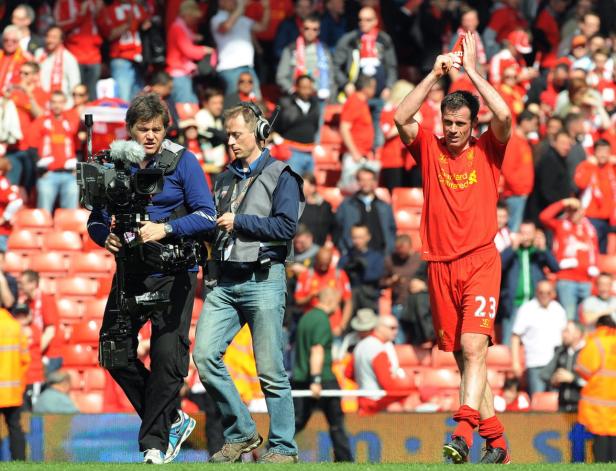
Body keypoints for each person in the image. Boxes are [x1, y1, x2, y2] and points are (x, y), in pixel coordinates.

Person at [393, 32, 512, 463]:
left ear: (473, 126)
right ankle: (496, 440)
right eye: (449, 123)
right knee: (465, 359)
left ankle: (462, 431)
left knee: (475, 348)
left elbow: (504, 113)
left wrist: (473, 72)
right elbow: (399, 116)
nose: (454, 130)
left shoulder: (488, 149)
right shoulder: (429, 148)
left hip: (480, 260)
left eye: (462, 124)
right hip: (439, 265)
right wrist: (435, 73)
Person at [87, 93, 216, 464]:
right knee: (113, 353)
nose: (150, 136)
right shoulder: (115, 162)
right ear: (130, 129)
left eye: (156, 129)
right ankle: (172, 419)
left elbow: (207, 216)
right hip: (130, 271)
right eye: (143, 129)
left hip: (175, 271)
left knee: (166, 358)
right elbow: (97, 217)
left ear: (166, 129)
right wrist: (102, 235)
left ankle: (153, 446)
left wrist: (166, 228)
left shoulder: (184, 162)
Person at [192, 103, 303, 464]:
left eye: (237, 134)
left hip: (264, 278)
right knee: (204, 356)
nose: (230, 141)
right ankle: (242, 432)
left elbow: (287, 228)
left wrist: (240, 221)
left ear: (258, 133)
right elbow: (213, 225)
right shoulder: (223, 178)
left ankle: (284, 448)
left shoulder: (282, 174)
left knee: (270, 370)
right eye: (227, 134)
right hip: (224, 282)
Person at [292, 288, 353, 462]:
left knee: (298, 421)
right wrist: (316, 380)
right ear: (331, 300)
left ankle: (271, 449)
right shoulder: (321, 320)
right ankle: (345, 461)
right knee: (336, 423)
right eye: (339, 304)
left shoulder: (306, 317)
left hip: (301, 378)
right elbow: (317, 350)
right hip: (322, 379)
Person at [500, 221, 559, 346]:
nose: (526, 236)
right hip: (514, 303)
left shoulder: (539, 253)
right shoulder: (512, 251)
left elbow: (555, 267)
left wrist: (543, 249)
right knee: (508, 343)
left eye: (529, 233)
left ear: (535, 234)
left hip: (535, 304)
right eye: (523, 233)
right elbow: (499, 266)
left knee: (536, 342)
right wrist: (512, 248)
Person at [539, 198, 599, 320]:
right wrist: (564, 203)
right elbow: (544, 217)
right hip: (567, 279)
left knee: (585, 319)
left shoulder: (590, 229)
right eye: (571, 210)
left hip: (586, 280)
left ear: (582, 211)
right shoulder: (561, 225)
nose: (574, 213)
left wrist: (595, 268)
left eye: (576, 210)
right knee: (569, 318)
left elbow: (594, 250)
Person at [511, 280, 568, 396]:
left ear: (553, 293)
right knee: (537, 403)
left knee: (555, 403)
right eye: (541, 292)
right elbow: (515, 337)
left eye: (548, 292)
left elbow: (564, 336)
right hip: (535, 364)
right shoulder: (526, 309)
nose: (544, 295)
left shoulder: (559, 309)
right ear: (536, 292)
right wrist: (515, 362)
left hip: (555, 364)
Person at [350, 314, 414, 414]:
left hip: (362, 400)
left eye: (397, 328)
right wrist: (411, 386)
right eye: (392, 328)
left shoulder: (360, 345)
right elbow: (387, 383)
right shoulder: (378, 349)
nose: (396, 332)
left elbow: (348, 373)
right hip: (375, 403)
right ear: (379, 328)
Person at [30, 90, 80, 213]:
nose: (57, 105)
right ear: (50, 104)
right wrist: (40, 170)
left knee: (69, 214)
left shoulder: (71, 122)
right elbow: (31, 148)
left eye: (60, 102)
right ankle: (43, 231)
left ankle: (68, 231)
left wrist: (77, 169)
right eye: (54, 102)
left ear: (64, 103)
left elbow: (78, 148)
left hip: (70, 175)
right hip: (48, 175)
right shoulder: (42, 121)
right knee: (44, 212)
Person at [575, 315, 616, 463]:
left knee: (602, 451)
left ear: (599, 326)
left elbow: (583, 369)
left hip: (600, 407)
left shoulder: (596, 343)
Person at [210, 0, 270, 98]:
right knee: (233, 104)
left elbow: (262, 27)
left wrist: (266, 8)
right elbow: (226, 26)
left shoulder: (243, 19)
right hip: (229, 68)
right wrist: (241, 7)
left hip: (248, 67)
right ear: (221, 2)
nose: (234, 2)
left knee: (256, 102)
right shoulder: (217, 19)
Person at [335, 167, 396, 256]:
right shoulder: (346, 205)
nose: (366, 183)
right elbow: (337, 228)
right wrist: (344, 249)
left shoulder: (385, 207)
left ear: (375, 182)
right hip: (353, 255)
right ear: (358, 182)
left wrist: (389, 249)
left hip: (380, 255)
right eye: (362, 180)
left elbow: (391, 230)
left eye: (369, 180)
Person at [295, 246, 353, 337]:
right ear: (316, 260)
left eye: (326, 264)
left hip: (334, 327)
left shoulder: (339, 275)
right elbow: (298, 301)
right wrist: (310, 297)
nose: (323, 267)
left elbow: (348, 302)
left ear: (331, 261)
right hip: (312, 326)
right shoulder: (306, 275)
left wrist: (342, 325)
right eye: (321, 264)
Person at [54, 0, 104, 101]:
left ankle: (90, 117)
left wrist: (100, 11)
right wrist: (81, 15)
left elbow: (105, 26)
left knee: (91, 94)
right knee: (76, 93)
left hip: (94, 55)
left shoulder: (95, 2)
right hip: (74, 55)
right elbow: (60, 26)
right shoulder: (64, 3)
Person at [165, 0, 213, 104]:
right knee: (186, 107)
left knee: (192, 103)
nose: (195, 20)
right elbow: (189, 51)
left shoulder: (181, 28)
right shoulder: (177, 28)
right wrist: (205, 50)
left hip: (183, 74)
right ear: (187, 14)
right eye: (194, 17)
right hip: (179, 74)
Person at [574, 139, 615, 254]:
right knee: (592, 250)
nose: (603, 155)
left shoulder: (610, 167)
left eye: (606, 151)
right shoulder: (586, 166)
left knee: (603, 251)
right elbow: (580, 183)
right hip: (590, 217)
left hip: (607, 218)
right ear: (594, 152)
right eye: (600, 151)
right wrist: (590, 165)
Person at [0, 304, 30, 461]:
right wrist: (19, 385)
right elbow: (25, 359)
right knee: (15, 427)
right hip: (11, 391)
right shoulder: (15, 327)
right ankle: (19, 463)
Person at [18, 270, 62, 376]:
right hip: (34, 354)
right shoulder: (26, 303)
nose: (20, 286)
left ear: (33, 284)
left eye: (22, 283)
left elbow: (50, 332)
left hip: (49, 355)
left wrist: (35, 353)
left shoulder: (46, 300)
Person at [338, 224, 385, 314]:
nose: (357, 241)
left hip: (368, 300)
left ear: (368, 237)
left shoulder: (376, 257)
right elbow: (338, 275)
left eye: (361, 237)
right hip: (349, 302)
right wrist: (348, 270)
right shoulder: (346, 257)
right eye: (354, 237)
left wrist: (362, 270)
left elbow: (377, 275)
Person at [540, 320, 586, 412]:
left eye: (567, 331)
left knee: (577, 427)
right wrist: (553, 379)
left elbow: (595, 382)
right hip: (562, 407)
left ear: (577, 334)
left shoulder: (588, 352)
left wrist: (573, 379)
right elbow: (544, 374)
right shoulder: (561, 352)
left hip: (581, 408)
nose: (563, 335)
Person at [34, 25, 81, 109]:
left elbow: (75, 85)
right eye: (48, 36)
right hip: (39, 102)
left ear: (61, 40)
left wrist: (68, 106)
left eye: (54, 37)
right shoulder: (39, 53)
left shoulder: (69, 59)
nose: (50, 40)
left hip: (60, 105)